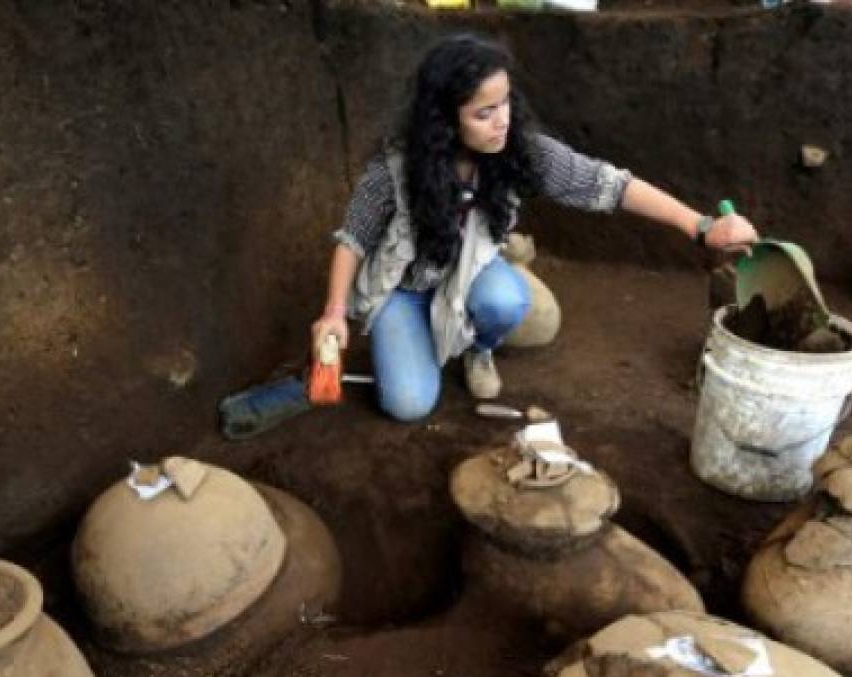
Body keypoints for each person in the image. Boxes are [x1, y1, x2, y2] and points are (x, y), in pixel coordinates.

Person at [310, 32, 758, 421]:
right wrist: (333, 313)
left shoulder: (522, 150)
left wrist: (700, 226)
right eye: (482, 113)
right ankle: (419, 333)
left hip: (470, 275)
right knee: (407, 405)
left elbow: (612, 186)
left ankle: (476, 347)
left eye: (503, 102)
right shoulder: (395, 168)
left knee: (506, 302)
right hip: (404, 288)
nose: (501, 120)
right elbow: (354, 238)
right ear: (444, 120)